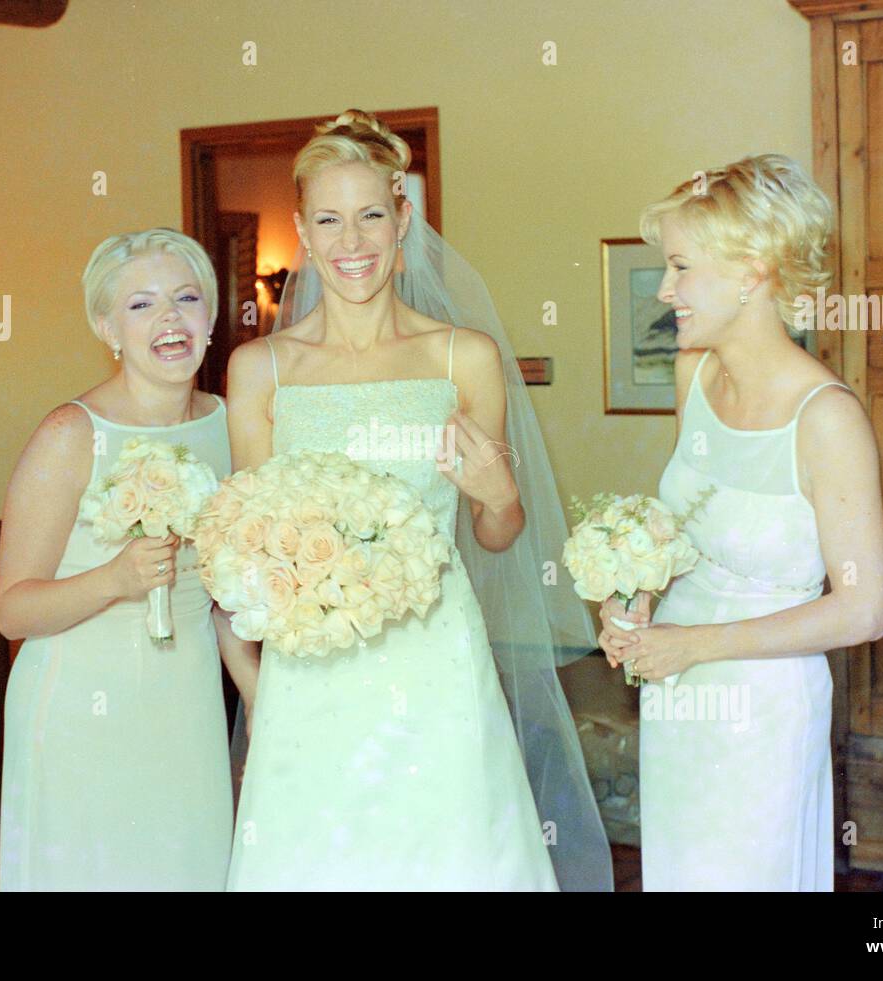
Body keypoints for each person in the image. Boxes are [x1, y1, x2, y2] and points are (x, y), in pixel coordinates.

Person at [222, 110, 610, 890]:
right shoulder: (260, 370)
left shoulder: (464, 357)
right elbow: (244, 553)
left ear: (404, 220)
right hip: (312, 669)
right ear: (301, 228)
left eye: (371, 214)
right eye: (328, 219)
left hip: (435, 655)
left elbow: (497, 532)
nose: (352, 240)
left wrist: (500, 495)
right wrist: (258, 686)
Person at [601, 155, 883, 890]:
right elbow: (679, 527)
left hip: (762, 706)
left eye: (680, 267)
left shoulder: (827, 418)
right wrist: (633, 597)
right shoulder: (691, 372)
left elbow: (863, 609)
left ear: (752, 271)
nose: (666, 291)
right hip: (676, 690)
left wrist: (693, 645)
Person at [0, 229, 243, 889]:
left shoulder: (232, 425)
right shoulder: (71, 434)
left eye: (187, 298)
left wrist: (261, 696)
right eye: (141, 304)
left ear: (211, 317)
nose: (170, 318)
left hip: (186, 706)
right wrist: (114, 578)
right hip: (81, 711)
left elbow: (224, 598)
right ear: (107, 325)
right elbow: (11, 610)